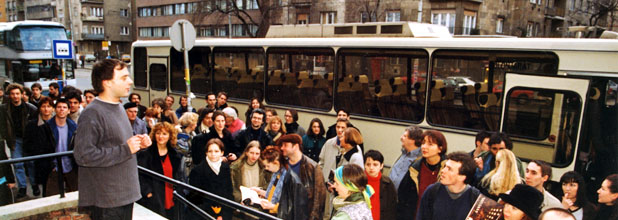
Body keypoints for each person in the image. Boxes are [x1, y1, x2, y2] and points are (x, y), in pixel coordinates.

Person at [74, 59, 152, 220]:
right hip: (107, 201)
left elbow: (117, 143)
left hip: (123, 195)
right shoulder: (92, 113)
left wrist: (139, 144)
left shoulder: (118, 107)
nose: (130, 81)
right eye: (123, 78)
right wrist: (126, 149)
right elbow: (83, 155)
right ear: (107, 82)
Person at [397, 129, 447, 220]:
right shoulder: (415, 168)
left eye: (430, 144)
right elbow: (403, 196)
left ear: (440, 148)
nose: (424, 147)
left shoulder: (448, 168)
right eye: (423, 143)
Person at [416, 152, 480, 220]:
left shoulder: (475, 199)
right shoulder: (432, 191)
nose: (443, 171)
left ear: (462, 177)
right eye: (445, 167)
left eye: (449, 169)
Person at [0, 83, 38, 199]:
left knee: (31, 163)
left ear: (22, 95)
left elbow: (36, 125)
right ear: (9, 95)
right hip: (14, 140)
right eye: (12, 94)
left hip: (28, 140)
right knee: (18, 164)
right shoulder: (3, 109)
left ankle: (34, 185)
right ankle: (22, 187)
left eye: (17, 94)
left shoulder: (30, 108)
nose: (15, 96)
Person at [137, 122, 181, 219]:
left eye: (164, 134)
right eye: (158, 133)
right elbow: (140, 176)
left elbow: (179, 176)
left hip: (171, 196)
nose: (160, 136)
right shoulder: (145, 154)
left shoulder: (175, 155)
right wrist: (148, 193)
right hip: (153, 198)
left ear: (170, 136)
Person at [278, 134, 327, 220]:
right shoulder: (282, 165)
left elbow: (319, 198)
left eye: (285, 145)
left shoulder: (313, 167)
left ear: (295, 146)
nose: (282, 148)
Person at [252, 146, 309, 219]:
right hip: (271, 213)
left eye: (268, 166)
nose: (266, 168)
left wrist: (273, 207)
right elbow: (273, 194)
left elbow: (293, 204)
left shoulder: (290, 177)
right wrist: (260, 192)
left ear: (276, 163)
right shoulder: (276, 173)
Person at [188, 138, 234, 220]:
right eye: (210, 151)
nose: (213, 154)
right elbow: (195, 198)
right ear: (206, 152)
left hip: (223, 213)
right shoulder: (197, 171)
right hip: (204, 214)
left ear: (222, 152)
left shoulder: (225, 168)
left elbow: (229, 193)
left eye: (216, 151)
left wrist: (223, 215)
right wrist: (213, 215)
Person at [44, 97, 78, 196]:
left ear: (68, 111)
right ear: (55, 109)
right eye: (59, 107)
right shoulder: (47, 127)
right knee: (52, 196)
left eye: (64, 107)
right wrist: (50, 165)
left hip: (70, 165)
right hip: (53, 166)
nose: (61, 109)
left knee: (74, 194)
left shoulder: (74, 127)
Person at [23, 96, 55, 197]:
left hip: (55, 158)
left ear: (52, 108)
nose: (46, 109)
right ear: (39, 108)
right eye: (43, 106)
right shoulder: (32, 125)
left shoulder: (58, 122)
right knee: (45, 186)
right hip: (40, 159)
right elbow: (27, 143)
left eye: (49, 106)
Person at [364, 150, 396, 220]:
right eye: (368, 164)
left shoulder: (388, 183)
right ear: (364, 165)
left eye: (375, 164)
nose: (371, 168)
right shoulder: (359, 181)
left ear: (381, 166)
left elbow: (392, 207)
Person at [389, 126, 423, 190]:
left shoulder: (419, 159)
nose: (401, 138)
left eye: (404, 136)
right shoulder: (403, 154)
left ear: (412, 140)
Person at [176, 112, 199, 180]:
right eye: (195, 123)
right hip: (183, 165)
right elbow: (184, 150)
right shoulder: (181, 135)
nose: (196, 125)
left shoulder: (193, 134)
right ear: (191, 124)